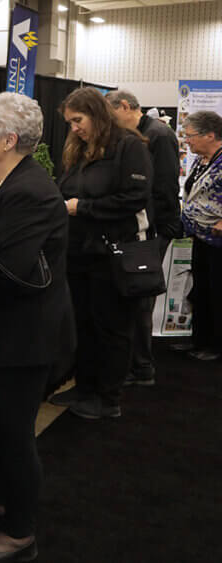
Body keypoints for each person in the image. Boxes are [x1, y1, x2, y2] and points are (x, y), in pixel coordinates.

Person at [0, 93, 69, 563]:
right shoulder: (8, 182)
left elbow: (6, 268)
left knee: (14, 436)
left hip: (21, 341)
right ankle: (3, 499)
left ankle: (20, 532)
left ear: (7, 140)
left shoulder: (28, 191)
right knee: (0, 432)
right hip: (2, 336)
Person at [52, 87, 152, 420]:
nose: (74, 128)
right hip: (79, 252)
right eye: (70, 122)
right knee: (83, 323)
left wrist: (86, 208)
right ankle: (85, 386)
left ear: (96, 114)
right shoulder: (78, 149)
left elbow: (135, 197)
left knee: (112, 327)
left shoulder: (129, 146)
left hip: (111, 252)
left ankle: (108, 397)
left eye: (78, 120)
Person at [106, 89, 181, 386]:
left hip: (153, 230)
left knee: (139, 296)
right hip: (141, 229)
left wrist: (159, 231)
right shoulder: (138, 134)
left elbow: (163, 185)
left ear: (125, 107)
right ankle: (133, 363)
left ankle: (141, 366)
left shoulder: (158, 135)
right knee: (132, 296)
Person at [179, 111, 222, 361]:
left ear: (210, 135)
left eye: (191, 136)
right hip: (200, 236)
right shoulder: (201, 159)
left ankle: (216, 345)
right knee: (201, 289)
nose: (187, 141)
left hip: (218, 241)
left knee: (217, 291)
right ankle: (199, 339)